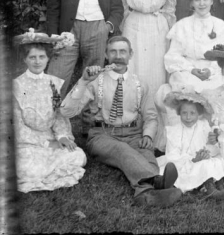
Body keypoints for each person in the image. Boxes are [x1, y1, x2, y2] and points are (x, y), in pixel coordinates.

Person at [60, 36, 183, 207]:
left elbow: (151, 116)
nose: (118, 56)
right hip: (102, 135)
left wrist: (147, 136)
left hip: (133, 133)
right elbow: (67, 111)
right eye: (113, 51)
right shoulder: (95, 81)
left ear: (130, 54)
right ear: (106, 54)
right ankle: (157, 181)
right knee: (122, 149)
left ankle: (145, 194)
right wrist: (83, 81)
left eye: (122, 51)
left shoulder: (140, 84)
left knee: (147, 154)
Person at [46, 0, 123, 135]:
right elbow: (52, 8)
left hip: (98, 29)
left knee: (95, 78)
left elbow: (117, 8)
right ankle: (51, 122)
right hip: (68, 31)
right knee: (56, 77)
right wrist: (54, 36)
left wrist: (107, 27)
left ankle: (92, 126)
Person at [13, 29, 86, 193]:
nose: (37, 62)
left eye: (41, 57)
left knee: (78, 156)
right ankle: (40, 172)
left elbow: (58, 116)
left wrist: (61, 137)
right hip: (26, 144)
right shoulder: (17, 86)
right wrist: (46, 143)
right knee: (22, 166)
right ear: (25, 59)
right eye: (32, 57)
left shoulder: (53, 83)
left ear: (47, 59)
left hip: (51, 137)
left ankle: (45, 169)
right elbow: (18, 126)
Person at [120, 0, 176, 119]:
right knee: (134, 66)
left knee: (155, 70)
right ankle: (131, 116)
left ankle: (155, 118)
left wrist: (167, 29)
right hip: (134, 25)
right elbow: (122, 6)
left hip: (156, 27)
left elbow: (170, 7)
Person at [156, 90, 224, 201]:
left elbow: (212, 149)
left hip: (202, 160)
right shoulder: (174, 131)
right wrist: (194, 159)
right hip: (184, 164)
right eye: (184, 113)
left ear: (199, 114)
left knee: (217, 161)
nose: (188, 117)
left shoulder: (203, 126)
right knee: (204, 165)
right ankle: (212, 191)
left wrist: (210, 146)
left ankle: (222, 189)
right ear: (179, 113)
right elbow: (172, 156)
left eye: (192, 113)